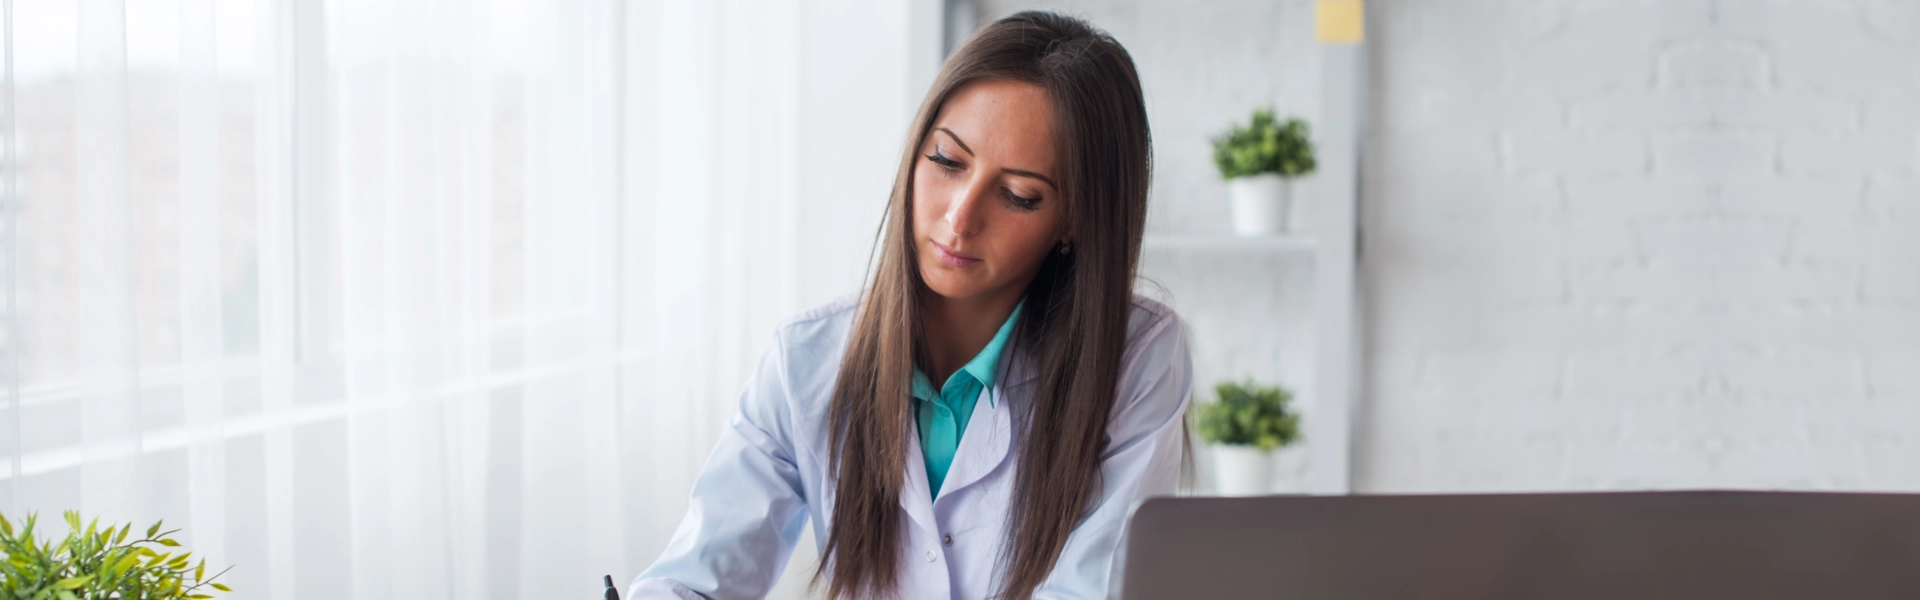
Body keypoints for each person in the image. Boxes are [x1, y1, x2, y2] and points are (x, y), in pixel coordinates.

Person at [631, 10, 1191, 600]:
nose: (959, 217)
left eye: (1019, 195)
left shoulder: (1137, 355)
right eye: (947, 161)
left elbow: (1092, 591)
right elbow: (698, 574)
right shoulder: (805, 358)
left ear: (1074, 220)